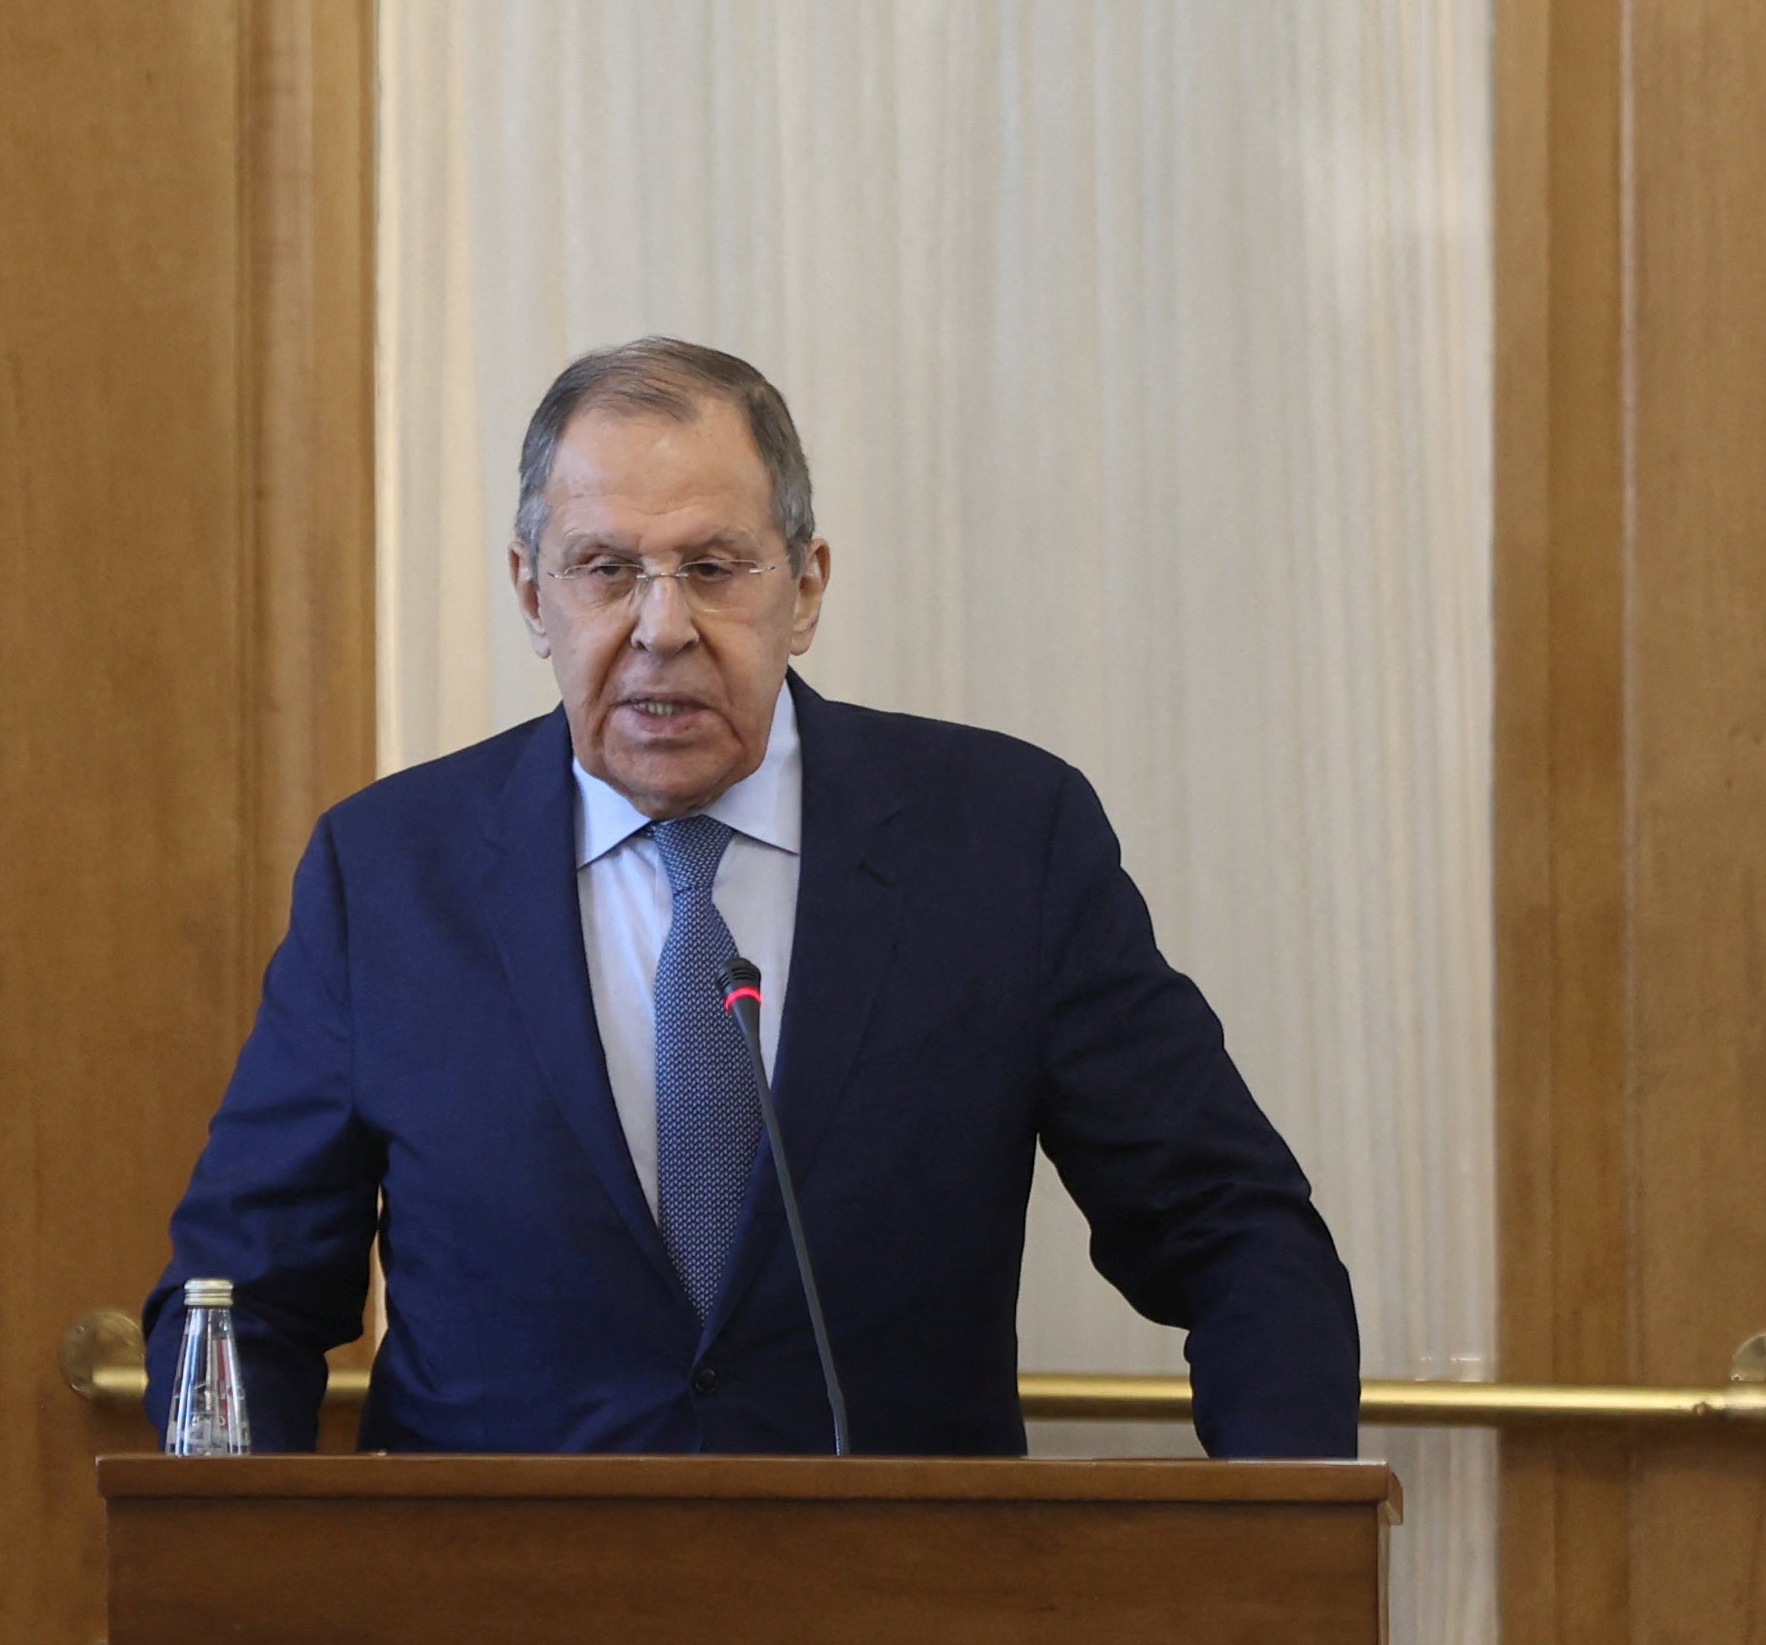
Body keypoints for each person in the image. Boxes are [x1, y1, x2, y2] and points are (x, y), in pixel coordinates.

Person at [147, 335, 1360, 1457]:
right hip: (494, 1642)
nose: (660, 627)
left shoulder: (999, 843)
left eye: (713, 568)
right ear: (531, 593)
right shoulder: (390, 872)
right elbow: (241, 1295)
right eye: (605, 569)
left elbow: (1229, 1229)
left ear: (807, 586)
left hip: (892, 1640)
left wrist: (1280, 1546)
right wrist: (247, 1606)